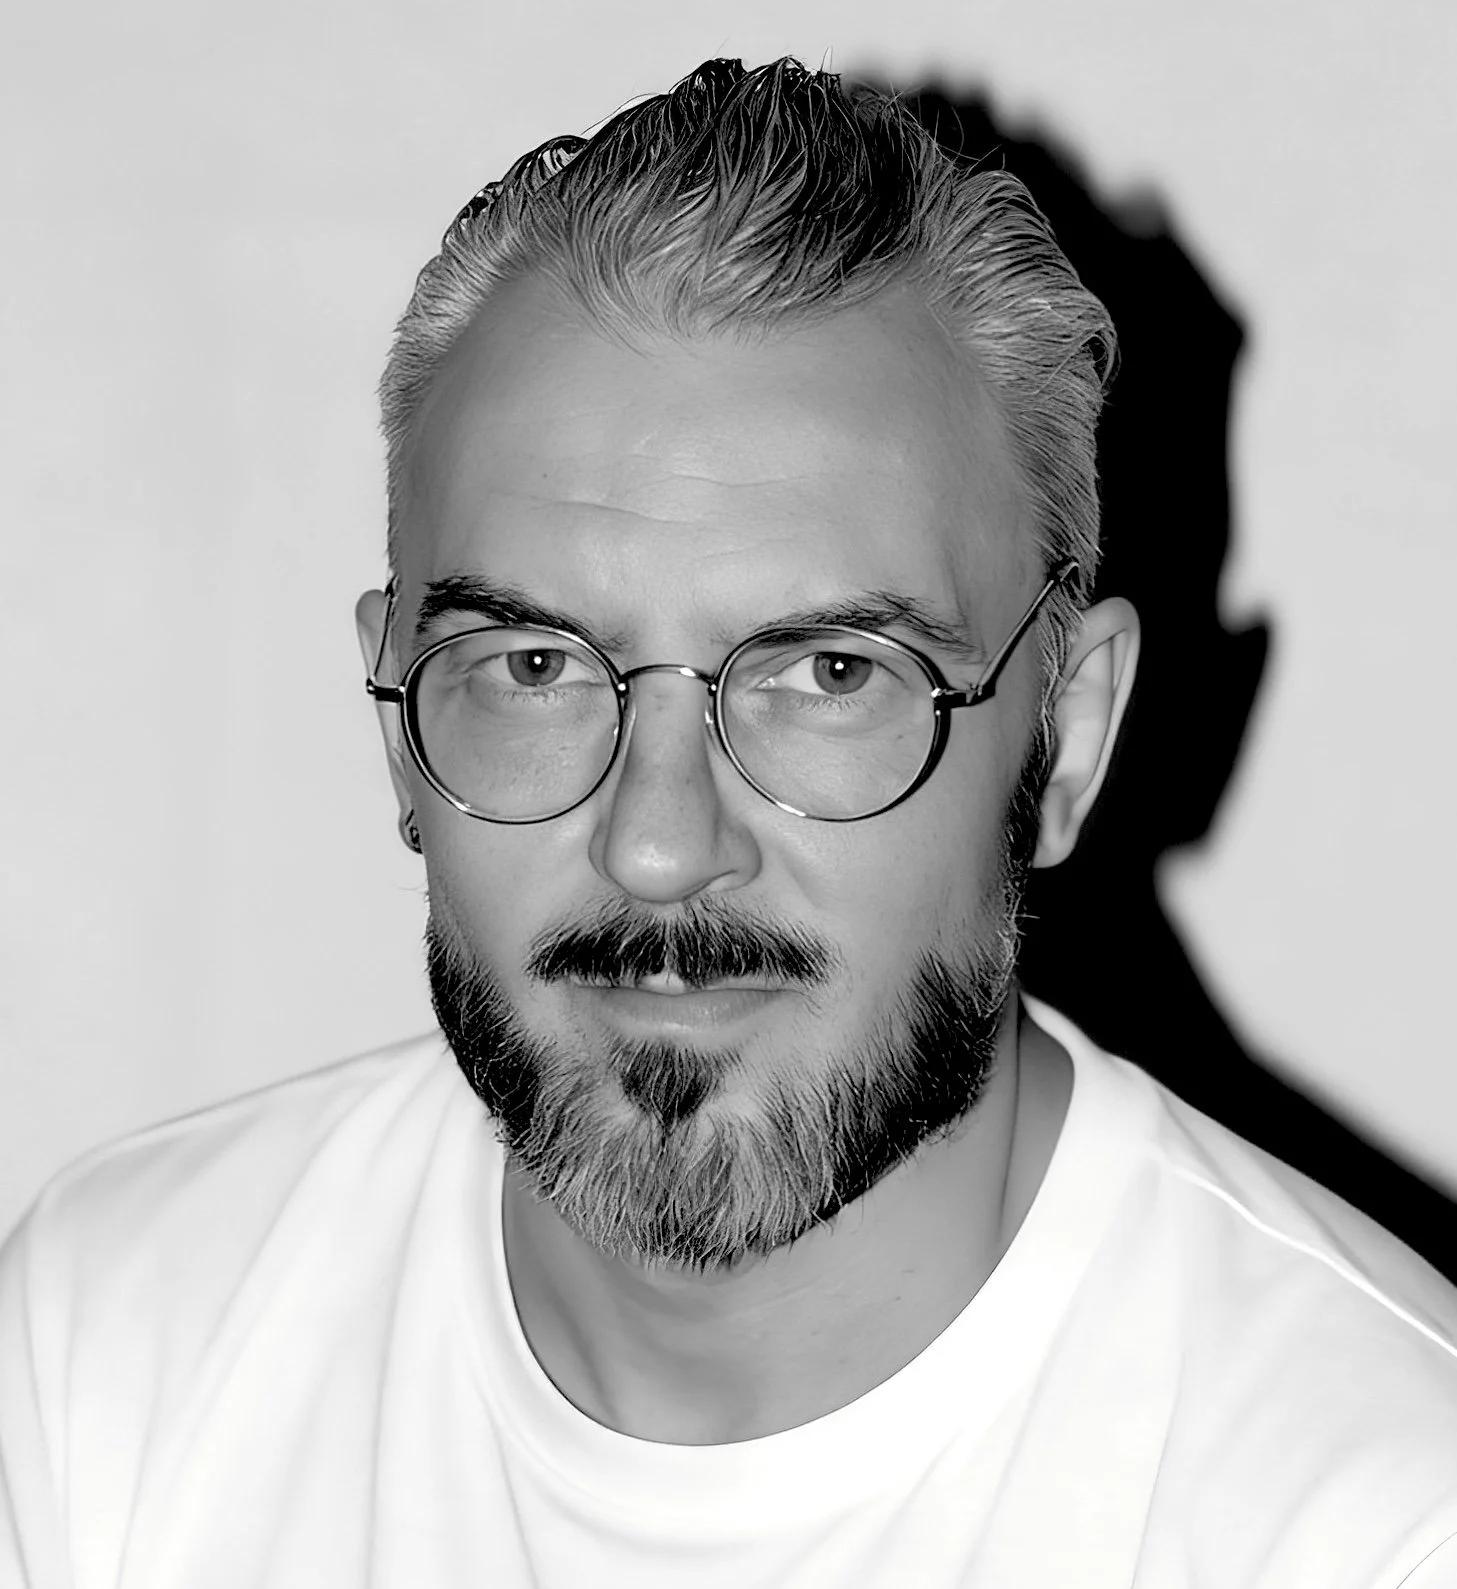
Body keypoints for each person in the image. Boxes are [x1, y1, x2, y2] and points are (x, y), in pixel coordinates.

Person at [2, 55, 1455, 1589]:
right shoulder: (111, 1364)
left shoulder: (1380, 1517)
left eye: (830, 672)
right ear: (394, 716)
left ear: (1069, 734)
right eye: (536, 666)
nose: (659, 843)